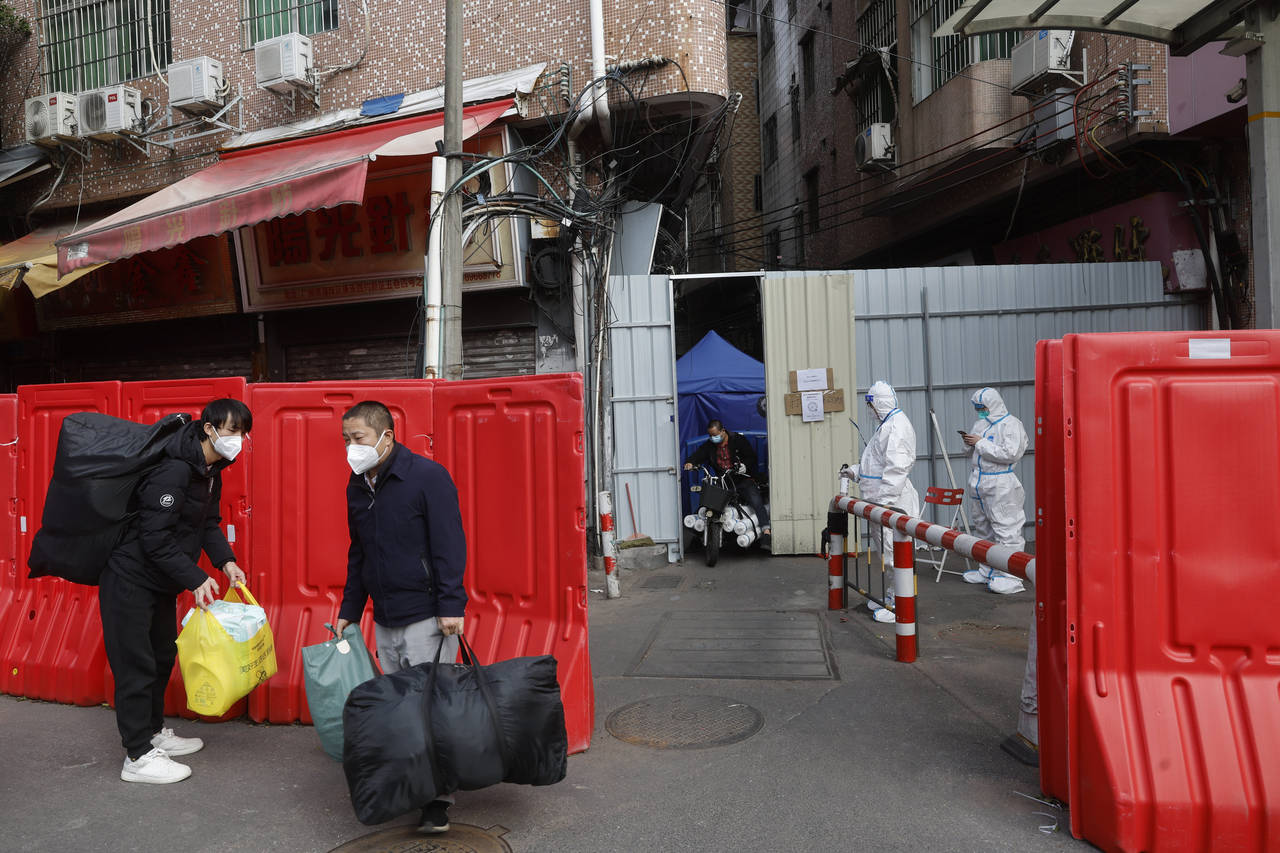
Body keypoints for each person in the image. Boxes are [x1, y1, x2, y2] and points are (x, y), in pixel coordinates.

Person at [100, 398, 252, 785]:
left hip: (159, 581)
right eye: (233, 431)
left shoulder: (210, 471)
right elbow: (154, 537)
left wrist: (225, 562)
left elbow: (208, 523)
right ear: (209, 429)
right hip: (130, 579)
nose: (239, 439)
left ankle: (152, 734)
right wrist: (195, 577)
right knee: (135, 666)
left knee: (161, 656)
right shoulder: (173, 470)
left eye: (243, 432)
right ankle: (136, 756)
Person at [334, 400, 468, 835]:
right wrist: (350, 611)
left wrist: (451, 605)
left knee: (433, 709)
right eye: (346, 440)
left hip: (427, 615)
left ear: (386, 437)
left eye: (359, 439)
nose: (352, 448)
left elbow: (449, 544)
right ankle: (413, 785)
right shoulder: (358, 485)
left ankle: (438, 799)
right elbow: (359, 553)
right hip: (384, 616)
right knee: (401, 709)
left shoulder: (427, 477)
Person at [847, 381, 919, 624]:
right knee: (888, 555)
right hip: (880, 503)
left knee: (894, 554)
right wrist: (855, 472)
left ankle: (901, 605)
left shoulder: (896, 427)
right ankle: (893, 597)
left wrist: (884, 504)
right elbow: (876, 465)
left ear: (880, 403)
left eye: (871, 404)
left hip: (890, 503)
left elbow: (896, 469)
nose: (870, 410)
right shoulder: (886, 426)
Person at [959, 387, 1027, 595]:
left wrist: (981, 444)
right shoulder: (981, 424)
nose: (980, 411)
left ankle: (1011, 575)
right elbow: (972, 452)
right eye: (977, 408)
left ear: (994, 404)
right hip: (979, 482)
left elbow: (1010, 454)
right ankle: (987, 569)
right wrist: (970, 443)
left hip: (1001, 483)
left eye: (983, 407)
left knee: (1007, 529)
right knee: (983, 529)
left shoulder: (1011, 425)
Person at [682, 419, 771, 550]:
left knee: (756, 501)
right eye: (711, 436)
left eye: (715, 435)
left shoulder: (738, 440)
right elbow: (698, 455)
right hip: (723, 481)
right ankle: (699, 535)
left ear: (723, 431)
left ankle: (766, 534)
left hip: (742, 479)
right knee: (706, 505)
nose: (713, 438)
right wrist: (690, 462)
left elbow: (751, 457)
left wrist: (744, 466)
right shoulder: (710, 445)